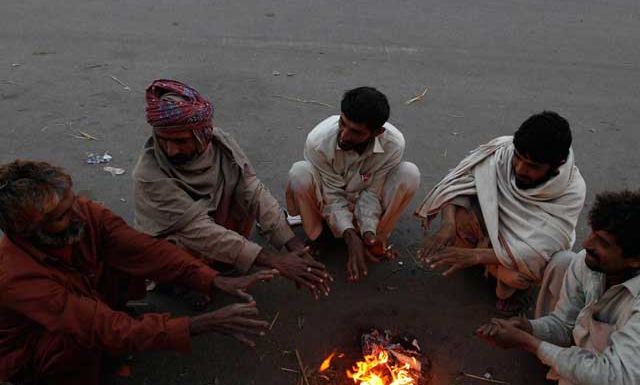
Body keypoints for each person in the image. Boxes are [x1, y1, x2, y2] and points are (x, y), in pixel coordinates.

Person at [0, 160, 278, 385]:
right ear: (28, 229)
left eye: (72, 202)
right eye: (62, 215)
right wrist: (199, 324)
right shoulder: (16, 276)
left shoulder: (84, 215)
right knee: (83, 333)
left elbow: (144, 250)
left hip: (88, 308)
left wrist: (213, 279)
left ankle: (124, 327)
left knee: (127, 259)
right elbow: (99, 326)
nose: (77, 214)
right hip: (41, 345)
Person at [133, 79, 331, 300]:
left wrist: (292, 244)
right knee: (176, 248)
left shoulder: (221, 144)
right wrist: (272, 259)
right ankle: (188, 283)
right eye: (163, 140)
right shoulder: (149, 175)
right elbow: (197, 230)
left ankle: (222, 261)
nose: (170, 150)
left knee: (243, 195)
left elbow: (253, 191)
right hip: (180, 236)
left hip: (213, 224)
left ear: (202, 135)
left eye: (180, 141)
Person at [476, 190, 640, 385]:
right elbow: (564, 325)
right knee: (563, 260)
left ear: (635, 260)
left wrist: (530, 343)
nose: (587, 244)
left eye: (602, 243)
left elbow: (617, 380)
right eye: (593, 234)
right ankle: (564, 379)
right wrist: (528, 328)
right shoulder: (587, 264)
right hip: (594, 356)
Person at [416, 111, 586, 315]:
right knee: (460, 211)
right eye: (519, 158)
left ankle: (504, 286)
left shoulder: (572, 191)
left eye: (533, 166)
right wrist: (448, 225)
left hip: (522, 249)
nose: (520, 169)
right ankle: (482, 260)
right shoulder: (502, 151)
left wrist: (475, 256)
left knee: (515, 275)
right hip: (486, 233)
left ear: (556, 166)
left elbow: (537, 252)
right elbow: (458, 182)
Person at [286, 87, 421, 282]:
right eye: (343, 123)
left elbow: (372, 193)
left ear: (377, 132)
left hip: (362, 199)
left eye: (356, 132)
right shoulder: (318, 140)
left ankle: (375, 239)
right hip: (327, 199)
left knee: (409, 174)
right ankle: (319, 236)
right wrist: (350, 236)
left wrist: (367, 232)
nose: (344, 135)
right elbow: (331, 195)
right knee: (300, 173)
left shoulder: (394, 144)